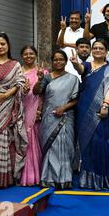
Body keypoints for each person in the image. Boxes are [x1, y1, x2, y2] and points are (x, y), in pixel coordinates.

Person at [74, 39, 109, 190]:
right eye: (95, 48)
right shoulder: (87, 66)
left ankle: (103, 179)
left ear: (106, 52)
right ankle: (88, 179)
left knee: (101, 142)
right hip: (84, 107)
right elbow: (80, 69)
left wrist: (105, 105)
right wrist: (75, 62)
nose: (98, 50)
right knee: (87, 143)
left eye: (101, 48)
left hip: (103, 109)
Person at [0, 32, 28, 188]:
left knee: (4, 138)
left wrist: (5, 95)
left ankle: (4, 179)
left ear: (8, 45)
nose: (0, 46)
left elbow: (19, 84)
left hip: (7, 103)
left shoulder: (15, 64)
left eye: (2, 43)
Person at [33, 50, 79, 189]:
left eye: (61, 59)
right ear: (52, 61)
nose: (58, 62)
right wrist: (40, 79)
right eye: (55, 59)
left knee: (64, 147)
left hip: (65, 117)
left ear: (66, 62)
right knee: (50, 148)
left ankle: (64, 178)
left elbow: (76, 99)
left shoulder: (73, 79)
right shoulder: (47, 77)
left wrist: (63, 108)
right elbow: (36, 92)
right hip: (49, 117)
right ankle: (48, 178)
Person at [19, 46, 47, 186]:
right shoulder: (17, 72)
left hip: (34, 108)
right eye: (25, 54)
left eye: (31, 53)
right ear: (21, 56)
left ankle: (33, 175)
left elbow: (43, 94)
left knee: (33, 140)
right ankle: (19, 173)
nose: (28, 56)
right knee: (20, 140)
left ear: (36, 55)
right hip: (19, 107)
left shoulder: (43, 72)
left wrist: (39, 110)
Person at [57, 11, 84, 79]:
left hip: (78, 65)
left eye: (76, 18)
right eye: (72, 18)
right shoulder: (63, 30)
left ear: (80, 20)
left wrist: (66, 44)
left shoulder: (84, 32)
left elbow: (82, 45)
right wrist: (63, 30)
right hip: (64, 65)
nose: (73, 20)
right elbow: (59, 44)